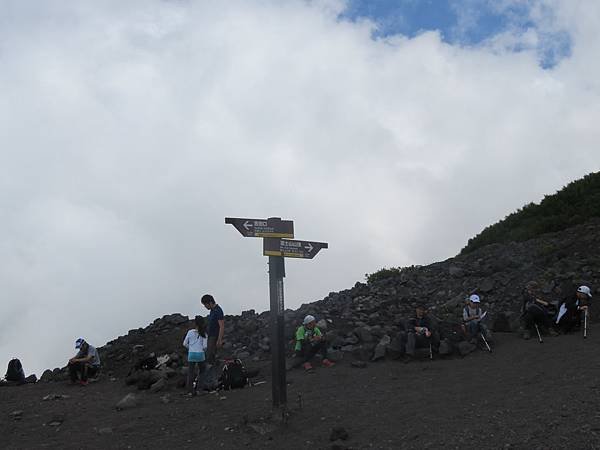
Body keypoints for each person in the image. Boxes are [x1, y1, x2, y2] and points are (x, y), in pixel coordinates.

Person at [183, 316, 208, 396]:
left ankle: (190, 391)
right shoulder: (204, 334)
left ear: (195, 323)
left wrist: (190, 348)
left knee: (191, 372)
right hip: (200, 354)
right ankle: (199, 390)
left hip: (191, 354)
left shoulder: (190, 332)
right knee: (202, 371)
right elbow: (205, 347)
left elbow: (184, 344)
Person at [201, 294, 224, 365]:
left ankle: (213, 372)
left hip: (214, 336)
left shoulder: (218, 310)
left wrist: (219, 340)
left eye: (205, 305)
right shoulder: (212, 311)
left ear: (210, 303)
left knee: (210, 355)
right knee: (209, 355)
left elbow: (222, 326)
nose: (205, 307)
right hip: (210, 336)